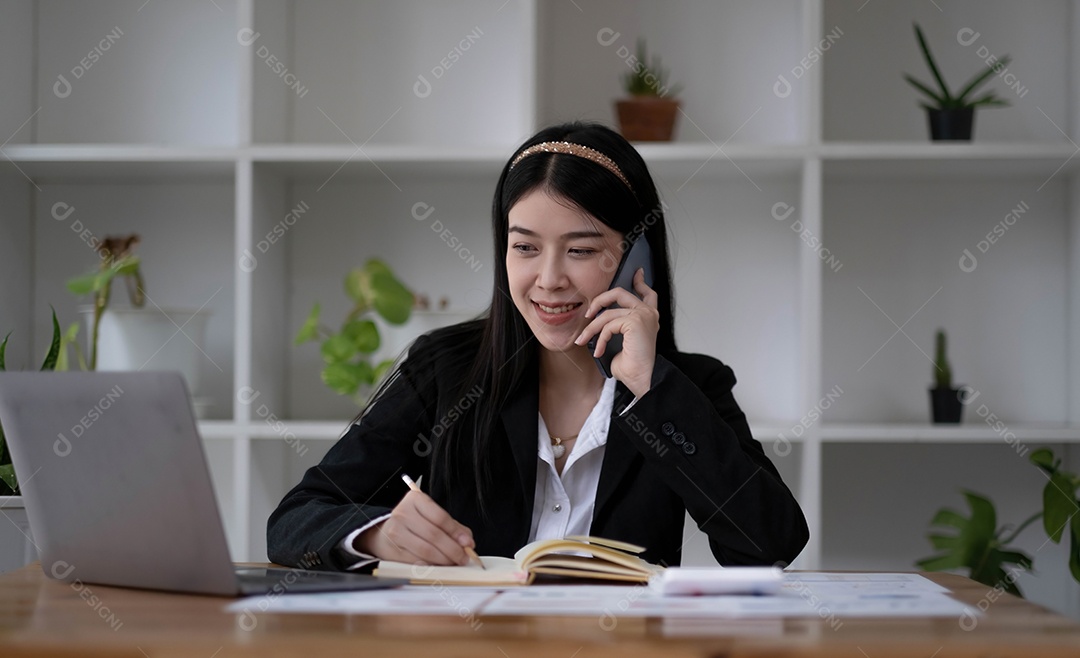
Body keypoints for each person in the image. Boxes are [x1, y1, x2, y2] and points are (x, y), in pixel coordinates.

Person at [267, 122, 808, 572]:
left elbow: (770, 544)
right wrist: (378, 535)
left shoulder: (688, 387)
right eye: (524, 246)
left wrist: (649, 385)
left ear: (633, 258)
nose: (548, 279)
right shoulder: (444, 368)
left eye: (581, 249)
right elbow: (296, 519)